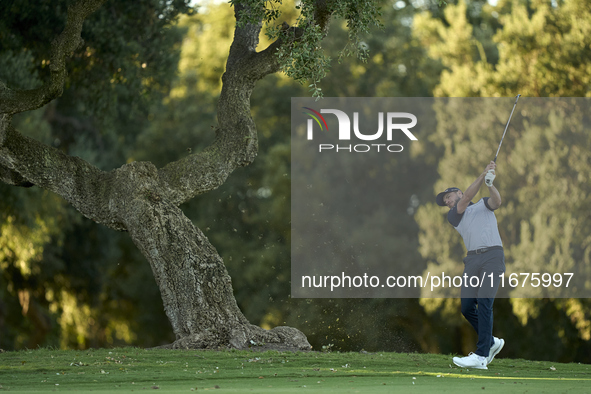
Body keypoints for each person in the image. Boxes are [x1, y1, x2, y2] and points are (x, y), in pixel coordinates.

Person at [435, 161, 505, 370]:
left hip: (493, 256)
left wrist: (490, 183)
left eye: (448, 197)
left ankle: (482, 355)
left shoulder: (483, 204)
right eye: (445, 200)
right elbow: (466, 199)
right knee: (466, 307)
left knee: (484, 302)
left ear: (457, 192)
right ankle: (491, 341)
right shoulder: (454, 215)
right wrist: (483, 173)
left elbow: (497, 201)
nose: (447, 202)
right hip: (473, 260)